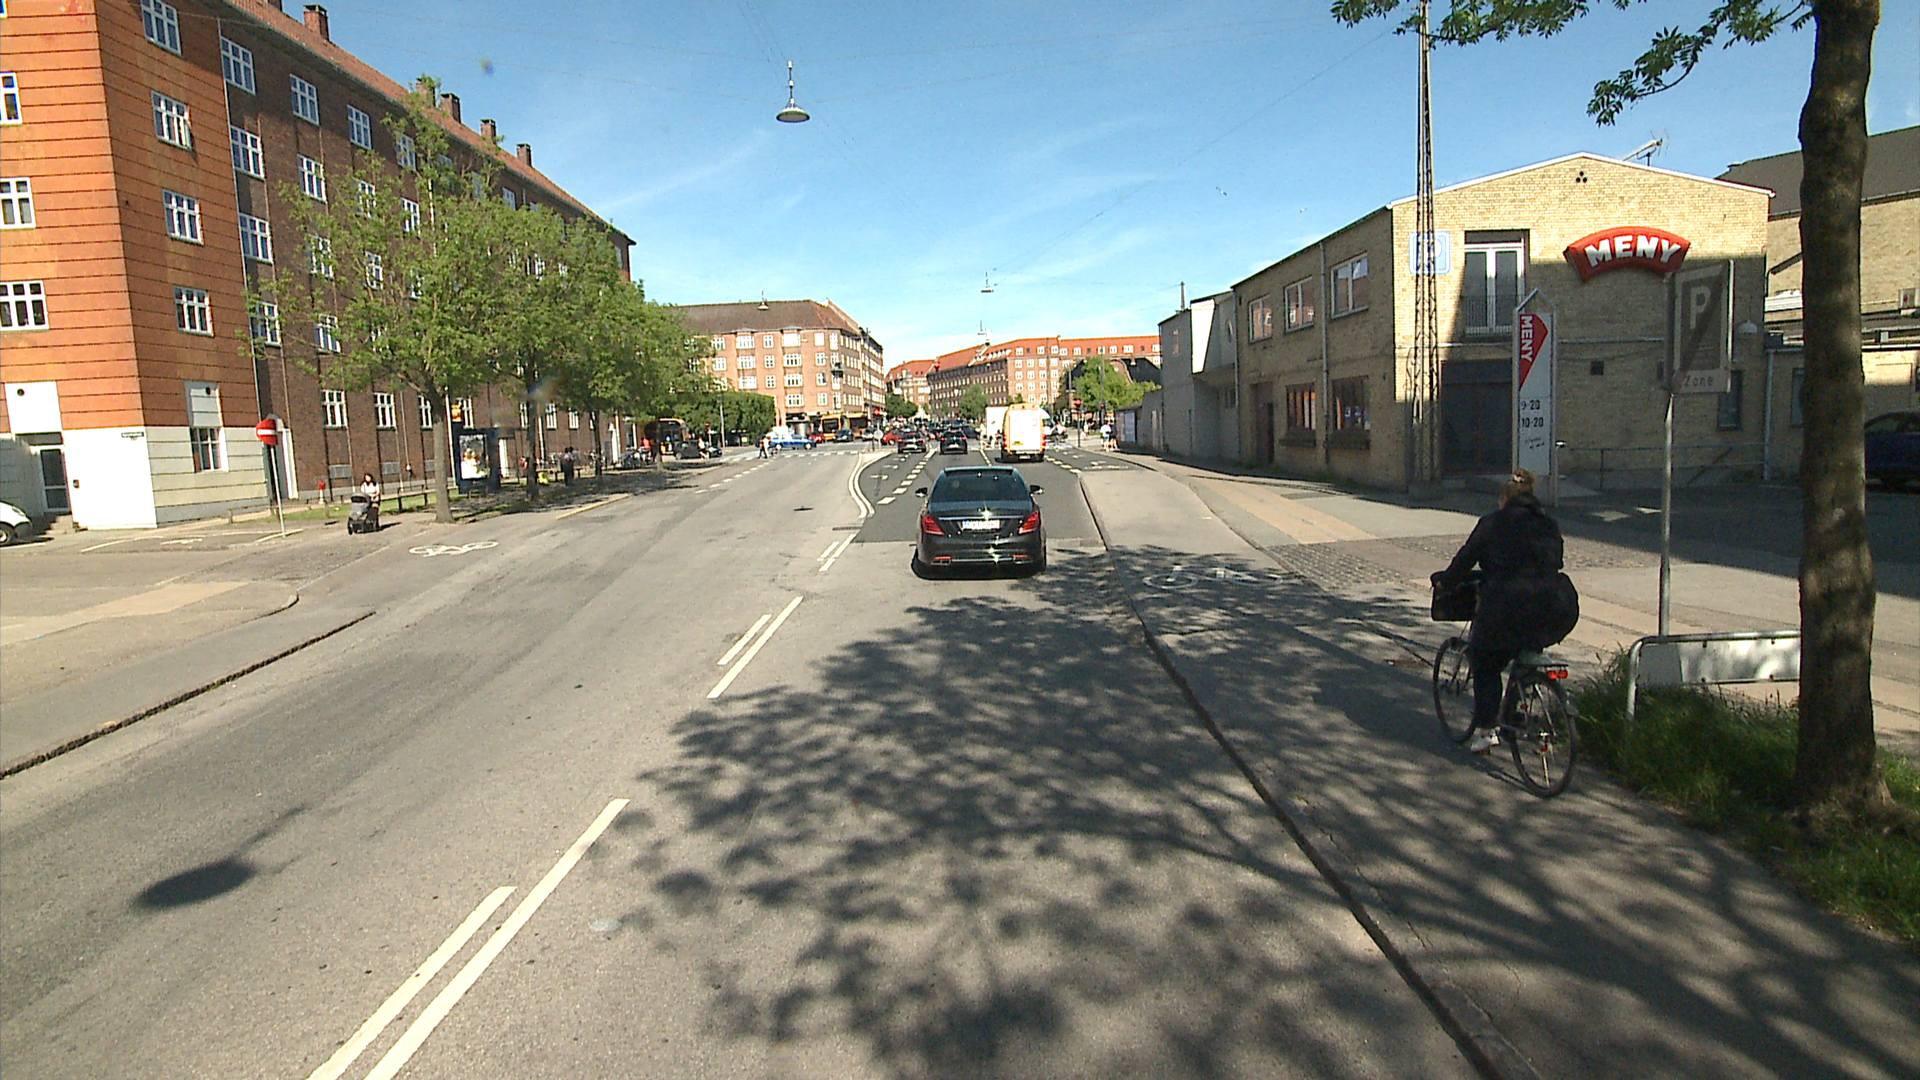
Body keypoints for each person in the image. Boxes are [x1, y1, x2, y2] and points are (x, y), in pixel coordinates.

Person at [1433, 469, 1580, 752]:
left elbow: (1465, 560)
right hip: (1554, 607)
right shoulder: (1548, 524)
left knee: (1485, 661)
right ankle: (1517, 710)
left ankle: (1487, 730)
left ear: (1504, 499)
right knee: (1525, 648)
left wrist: (1445, 582)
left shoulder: (1492, 523)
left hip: (1505, 606)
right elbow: (1555, 561)